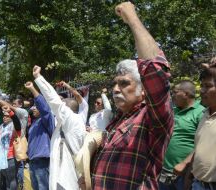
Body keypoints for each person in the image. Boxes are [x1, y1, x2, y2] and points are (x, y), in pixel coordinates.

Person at [88, 2, 174, 189]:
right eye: (115, 84)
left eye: (125, 83)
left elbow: (154, 70)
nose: (116, 89)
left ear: (144, 90)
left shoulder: (151, 119)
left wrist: (132, 18)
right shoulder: (118, 120)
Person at [33, 65, 87, 190]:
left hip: (64, 181)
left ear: (66, 110)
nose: (56, 111)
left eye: (61, 107)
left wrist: (38, 77)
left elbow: (53, 99)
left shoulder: (70, 120)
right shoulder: (76, 122)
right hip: (68, 178)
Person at [158, 80, 204, 190]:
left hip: (184, 174)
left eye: (175, 92)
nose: (172, 95)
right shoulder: (174, 110)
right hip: (165, 171)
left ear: (186, 94)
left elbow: (203, 143)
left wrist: (184, 163)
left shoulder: (201, 112)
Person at [187, 58, 216, 190]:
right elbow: (199, 149)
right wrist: (189, 176)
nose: (202, 90)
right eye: (202, 85)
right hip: (198, 184)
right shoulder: (205, 114)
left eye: (208, 86)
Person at [24, 81, 55, 190]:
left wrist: (32, 88)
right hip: (33, 160)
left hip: (42, 161)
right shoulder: (35, 122)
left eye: (36, 106)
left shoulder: (47, 119)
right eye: (33, 107)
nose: (33, 108)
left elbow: (45, 109)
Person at [0, 105, 21, 190]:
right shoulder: (1, 127)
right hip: (0, 157)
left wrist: (11, 112)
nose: (5, 118)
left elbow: (16, 121)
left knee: (11, 180)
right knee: (3, 180)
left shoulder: (14, 127)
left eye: (7, 116)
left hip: (10, 158)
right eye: (4, 116)